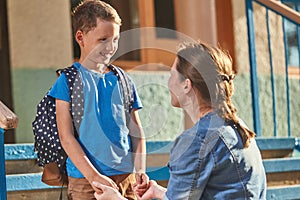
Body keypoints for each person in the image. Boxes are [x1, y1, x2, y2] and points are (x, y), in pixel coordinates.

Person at [93, 41, 267, 199]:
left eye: (171, 74)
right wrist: (161, 193)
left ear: (186, 84)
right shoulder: (237, 127)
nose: (168, 82)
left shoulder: (195, 142)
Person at [48, 0, 148, 199]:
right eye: (103, 39)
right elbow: (66, 138)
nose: (111, 47)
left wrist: (140, 169)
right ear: (80, 37)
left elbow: (136, 131)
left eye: (115, 39)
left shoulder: (123, 80)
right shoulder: (67, 82)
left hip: (126, 179)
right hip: (86, 181)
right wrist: (94, 177)